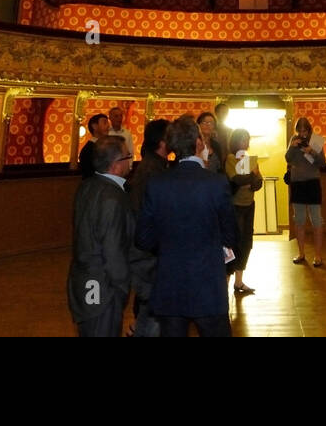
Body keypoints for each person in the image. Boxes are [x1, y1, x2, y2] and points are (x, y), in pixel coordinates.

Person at [135, 115, 238, 337]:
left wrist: (168, 246)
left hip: (170, 282)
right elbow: (231, 234)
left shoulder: (157, 184)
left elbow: (143, 238)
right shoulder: (216, 183)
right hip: (208, 283)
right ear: (198, 143)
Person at [65, 136, 133, 336]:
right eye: (128, 157)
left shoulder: (87, 186)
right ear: (116, 165)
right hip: (101, 289)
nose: (131, 161)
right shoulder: (113, 197)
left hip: (84, 283)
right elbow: (113, 251)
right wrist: (121, 287)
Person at [128, 118, 171, 337]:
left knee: (149, 309)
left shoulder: (154, 165)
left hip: (148, 252)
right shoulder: (153, 170)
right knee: (154, 310)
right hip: (148, 254)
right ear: (163, 141)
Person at [226, 127, 264, 295]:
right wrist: (251, 176)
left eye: (247, 139)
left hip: (249, 204)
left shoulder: (250, 159)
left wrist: (251, 180)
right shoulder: (230, 158)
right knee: (234, 243)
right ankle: (226, 280)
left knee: (246, 243)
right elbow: (236, 179)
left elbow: (258, 182)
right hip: (235, 205)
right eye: (242, 139)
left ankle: (239, 281)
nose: (245, 142)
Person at [286, 116, 326, 267]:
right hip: (297, 184)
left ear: (309, 129)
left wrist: (312, 151)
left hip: (312, 183)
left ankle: (318, 255)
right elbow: (287, 158)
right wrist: (292, 146)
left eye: (305, 130)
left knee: (316, 220)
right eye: (299, 131)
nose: (302, 134)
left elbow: (323, 162)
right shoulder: (293, 140)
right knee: (299, 220)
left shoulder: (316, 141)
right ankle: (301, 253)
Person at [77, 113, 110, 177]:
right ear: (94, 126)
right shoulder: (88, 150)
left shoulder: (105, 146)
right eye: (105, 123)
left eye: (108, 123)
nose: (108, 126)